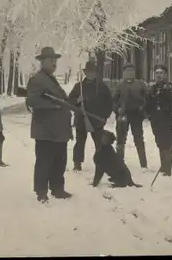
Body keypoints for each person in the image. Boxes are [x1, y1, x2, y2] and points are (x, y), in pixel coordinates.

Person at [26, 46, 73, 203]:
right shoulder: (37, 80)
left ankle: (57, 189)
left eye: (55, 60)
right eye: (51, 60)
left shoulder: (51, 80)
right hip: (45, 129)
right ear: (42, 62)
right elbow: (32, 101)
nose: (54, 63)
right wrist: (54, 105)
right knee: (44, 162)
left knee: (59, 161)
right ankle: (41, 192)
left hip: (59, 130)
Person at [68, 61, 113, 171]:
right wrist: (77, 100)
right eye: (88, 72)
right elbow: (69, 102)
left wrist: (104, 117)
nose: (91, 74)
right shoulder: (79, 87)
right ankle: (77, 163)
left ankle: (101, 163)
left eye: (93, 72)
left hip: (97, 120)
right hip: (81, 120)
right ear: (85, 73)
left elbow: (109, 103)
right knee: (79, 143)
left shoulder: (102, 87)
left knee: (99, 143)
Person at [145, 64, 172, 176]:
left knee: (168, 143)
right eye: (157, 73)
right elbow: (148, 103)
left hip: (168, 119)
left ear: (165, 74)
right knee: (160, 142)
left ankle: (167, 168)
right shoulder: (152, 89)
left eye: (161, 73)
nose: (159, 75)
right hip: (156, 120)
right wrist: (150, 116)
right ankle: (163, 165)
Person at [113, 62, 148, 169]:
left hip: (136, 115)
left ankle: (143, 164)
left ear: (134, 73)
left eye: (131, 71)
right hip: (123, 115)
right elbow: (113, 100)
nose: (129, 73)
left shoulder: (140, 84)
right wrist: (117, 109)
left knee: (138, 138)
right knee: (120, 138)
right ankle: (119, 162)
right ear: (124, 73)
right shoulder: (119, 85)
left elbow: (147, 98)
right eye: (127, 71)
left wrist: (143, 108)